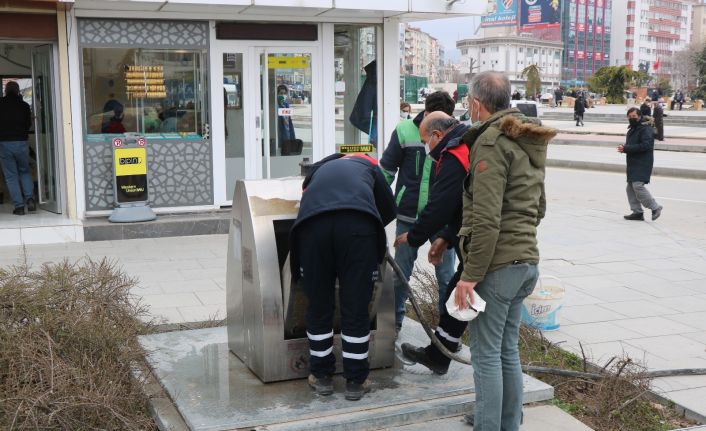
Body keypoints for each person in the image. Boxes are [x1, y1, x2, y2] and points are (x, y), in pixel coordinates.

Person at [453, 71, 555, 430]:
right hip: (525, 262)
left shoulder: (491, 142)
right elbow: (539, 208)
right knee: (506, 351)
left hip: (495, 268)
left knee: (485, 357)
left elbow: (486, 218)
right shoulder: (527, 139)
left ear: (476, 104)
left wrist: (470, 276)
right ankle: (509, 425)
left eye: (468, 102)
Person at [289, 152, 395, 401]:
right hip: (358, 231)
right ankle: (356, 381)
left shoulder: (317, 172)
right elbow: (389, 209)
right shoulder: (368, 166)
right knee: (356, 307)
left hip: (312, 230)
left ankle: (321, 376)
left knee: (319, 304)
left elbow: (307, 200)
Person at [394, 111, 470, 375]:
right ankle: (439, 354)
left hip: (486, 245)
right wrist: (447, 237)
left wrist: (414, 235)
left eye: (426, 141)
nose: (426, 148)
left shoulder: (454, 153)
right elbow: (462, 204)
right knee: (456, 295)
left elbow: (441, 204)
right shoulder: (464, 144)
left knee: (487, 327)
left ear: (437, 135)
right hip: (473, 238)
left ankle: (496, 410)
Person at [379, 91, 457, 333]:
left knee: (446, 277)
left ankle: (446, 329)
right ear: (425, 113)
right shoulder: (404, 131)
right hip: (408, 216)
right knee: (400, 274)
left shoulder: (453, 134)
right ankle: (394, 323)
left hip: (442, 219)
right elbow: (387, 170)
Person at [619, 108, 663, 221]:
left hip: (643, 162)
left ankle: (655, 207)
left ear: (639, 116)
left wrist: (626, 148)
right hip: (634, 162)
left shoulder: (645, 129)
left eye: (634, 116)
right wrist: (625, 148)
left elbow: (646, 145)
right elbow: (633, 144)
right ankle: (637, 212)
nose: (631, 118)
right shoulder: (633, 129)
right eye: (629, 116)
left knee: (637, 186)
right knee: (630, 188)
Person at [0, 81, 36, 215]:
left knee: (11, 176)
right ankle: (30, 198)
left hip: (4, 144)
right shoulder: (25, 105)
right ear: (18, 91)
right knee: (25, 171)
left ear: (5, 91)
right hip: (22, 142)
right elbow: (28, 124)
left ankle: (19, 207)